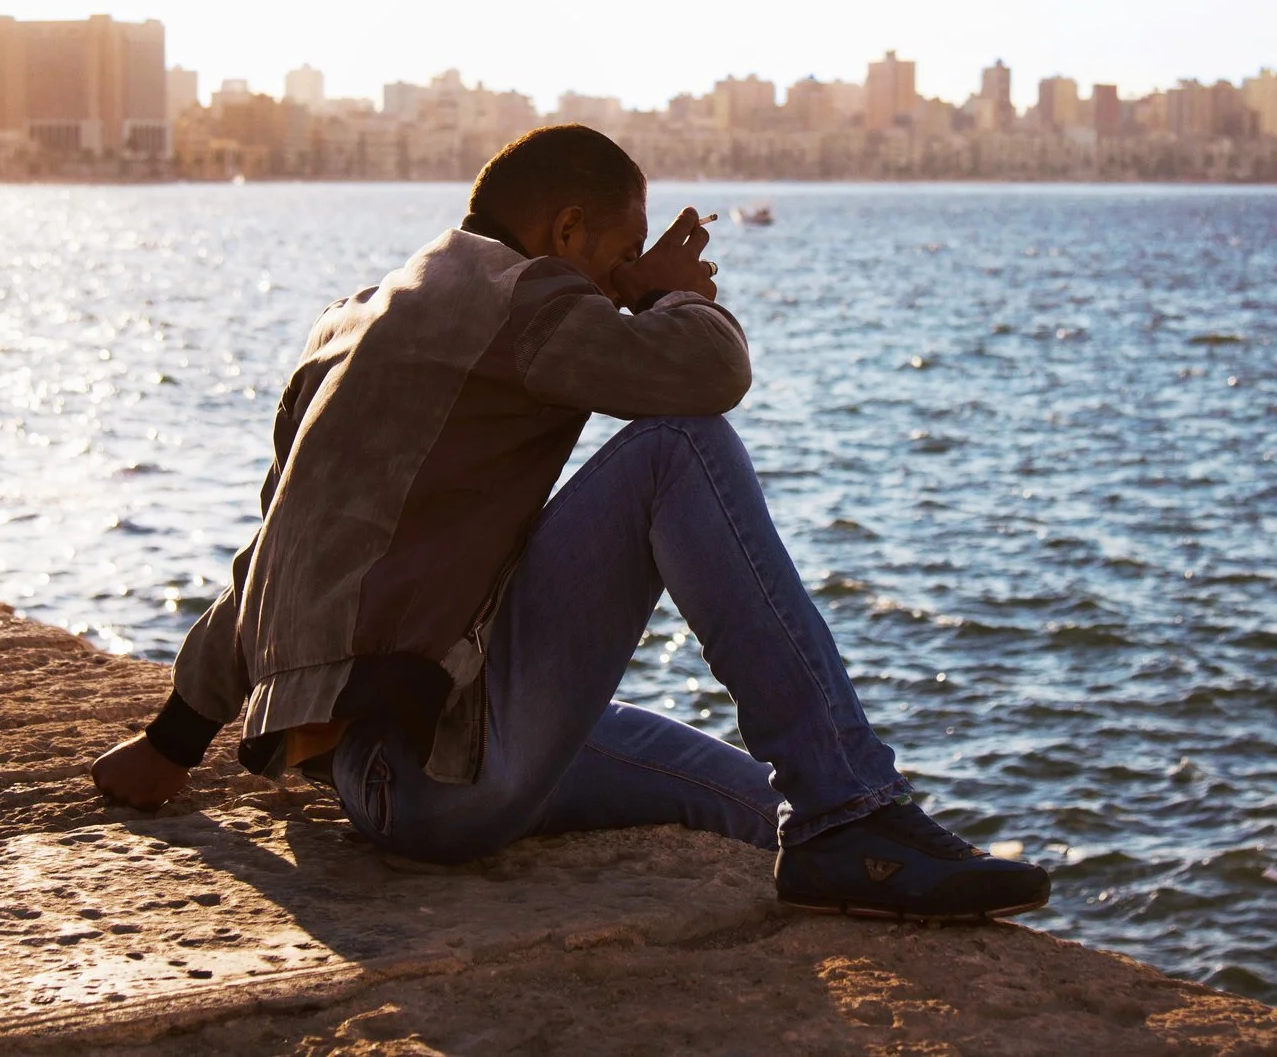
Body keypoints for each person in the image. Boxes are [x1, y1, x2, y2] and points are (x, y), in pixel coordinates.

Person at [92, 125, 1050, 920]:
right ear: (566, 229)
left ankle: (842, 825)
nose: (620, 280)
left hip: (379, 773)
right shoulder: (518, 296)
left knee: (753, 804)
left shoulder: (348, 325)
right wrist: (670, 293)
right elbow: (709, 374)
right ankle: (850, 815)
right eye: (620, 252)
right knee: (678, 446)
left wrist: (171, 743)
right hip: (434, 775)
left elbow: (268, 562)